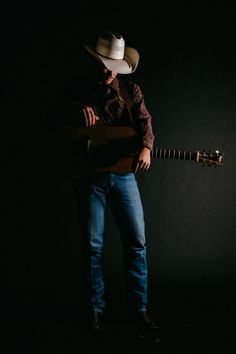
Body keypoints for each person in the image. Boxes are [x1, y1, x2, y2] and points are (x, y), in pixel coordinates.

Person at [50, 29, 158, 338]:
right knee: (93, 246)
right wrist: (74, 110)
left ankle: (139, 309)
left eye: (113, 66)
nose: (108, 72)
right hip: (88, 177)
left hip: (124, 177)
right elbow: (51, 120)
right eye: (103, 64)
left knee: (136, 244)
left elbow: (145, 123)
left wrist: (147, 147)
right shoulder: (75, 89)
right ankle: (94, 309)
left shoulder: (131, 90)